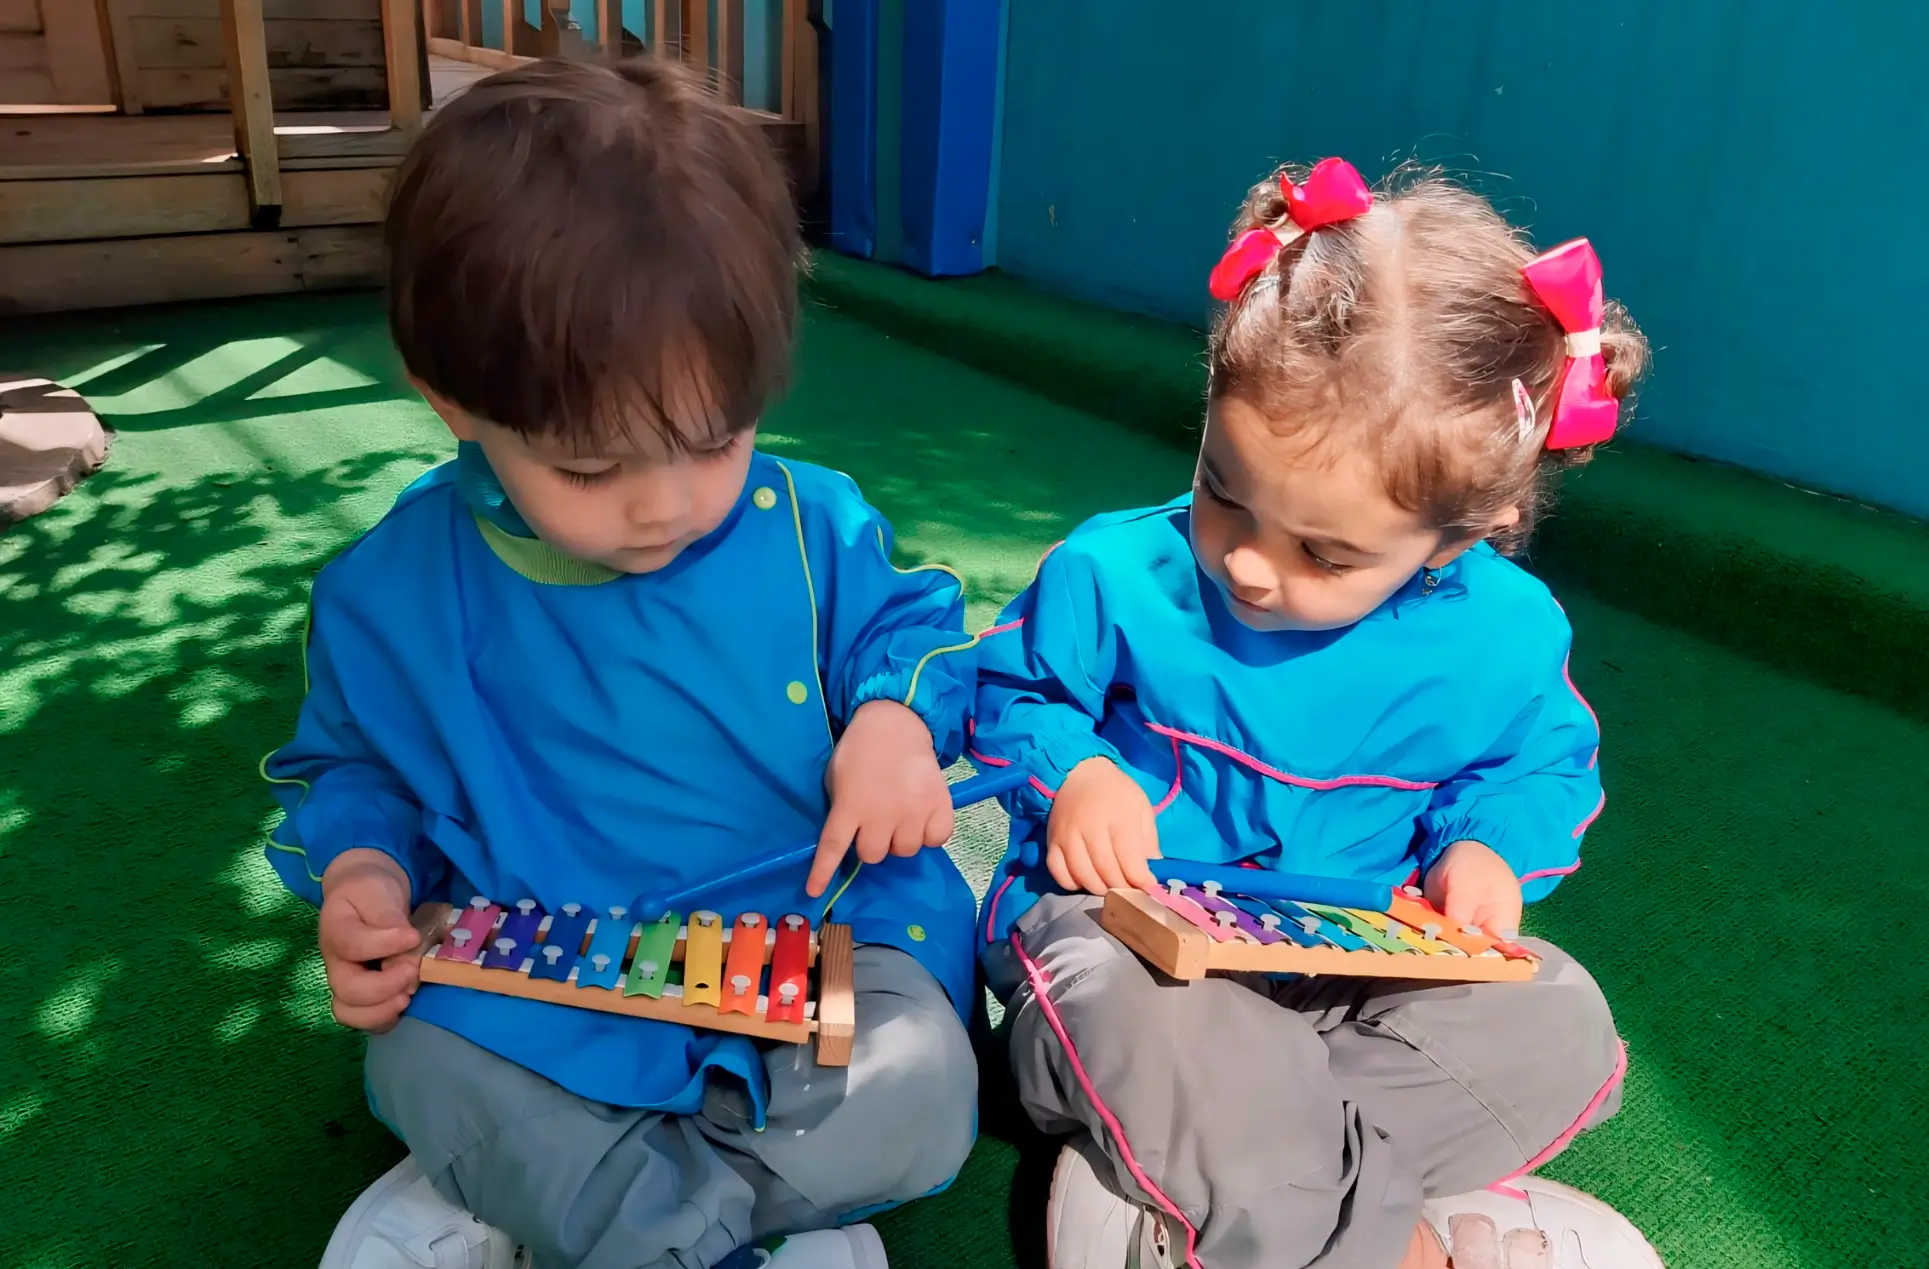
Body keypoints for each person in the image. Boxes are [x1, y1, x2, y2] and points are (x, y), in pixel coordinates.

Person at [262, 55, 979, 1269]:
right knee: (417, 1050)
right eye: (590, 472)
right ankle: (721, 1223)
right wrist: (365, 880)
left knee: (927, 1094)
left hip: (816, 930)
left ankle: (580, 1210)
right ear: (452, 402)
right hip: (541, 957)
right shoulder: (389, 590)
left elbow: (914, 635)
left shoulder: (812, 525)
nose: (669, 506)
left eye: (718, 441)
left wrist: (894, 727)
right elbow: (352, 769)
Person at [969, 158, 1663, 1269]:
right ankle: (1396, 1245)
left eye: (1324, 552)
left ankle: (1175, 1198)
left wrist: (1487, 849)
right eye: (1221, 488)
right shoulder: (1114, 572)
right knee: (1147, 1024)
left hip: (1349, 976)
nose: (1245, 562)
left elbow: (1538, 770)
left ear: (1463, 535)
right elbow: (1008, 692)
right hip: (1132, 954)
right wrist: (1076, 774)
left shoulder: (1508, 636)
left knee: (1564, 1024)